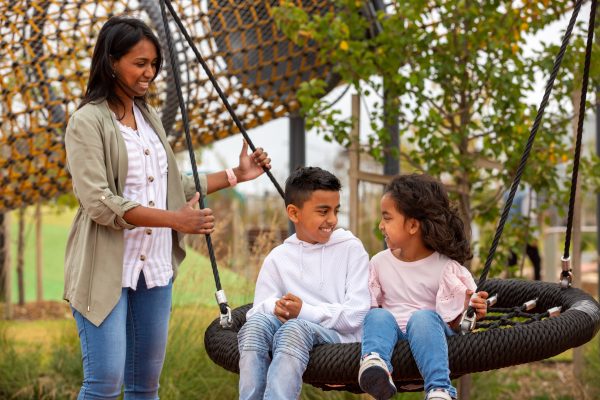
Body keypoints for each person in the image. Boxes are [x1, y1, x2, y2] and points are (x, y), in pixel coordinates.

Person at [63, 16, 271, 400]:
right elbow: (99, 202)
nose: (150, 73)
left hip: (154, 270)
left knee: (145, 388)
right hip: (106, 269)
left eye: (154, 64)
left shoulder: (149, 117)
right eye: (139, 63)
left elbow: (170, 185)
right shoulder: (86, 121)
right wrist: (176, 220)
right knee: (104, 384)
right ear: (111, 62)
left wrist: (236, 174)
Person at [237, 166, 371, 400]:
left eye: (335, 211)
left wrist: (303, 312)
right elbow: (256, 312)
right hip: (291, 337)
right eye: (323, 211)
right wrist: (275, 306)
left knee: (294, 328)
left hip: (340, 340)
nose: (332, 220)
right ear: (294, 213)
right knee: (256, 326)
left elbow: (356, 315)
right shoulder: (278, 258)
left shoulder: (351, 249)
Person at [358, 174, 489, 400]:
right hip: (394, 340)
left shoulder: (445, 268)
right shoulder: (378, 263)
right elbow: (367, 307)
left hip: (432, 337)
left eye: (387, 218)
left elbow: (458, 323)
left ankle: (439, 389)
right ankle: (375, 364)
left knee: (422, 318)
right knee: (377, 316)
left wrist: (471, 311)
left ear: (412, 225)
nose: (381, 225)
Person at [506, 187, 542, 280]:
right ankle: (538, 289)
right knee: (536, 262)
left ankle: (510, 289)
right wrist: (534, 236)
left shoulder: (507, 192)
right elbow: (529, 215)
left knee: (512, 263)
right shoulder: (528, 191)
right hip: (525, 234)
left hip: (512, 234)